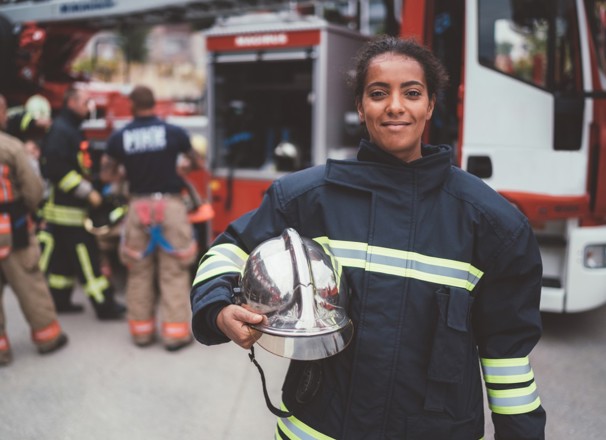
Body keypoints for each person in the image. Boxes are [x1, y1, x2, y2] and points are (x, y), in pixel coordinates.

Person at [190, 36, 546, 439]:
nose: (395, 106)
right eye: (378, 93)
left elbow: (508, 359)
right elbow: (227, 251)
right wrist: (219, 309)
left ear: (429, 105)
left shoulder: (491, 223)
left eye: (411, 93)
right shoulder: (307, 199)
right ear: (360, 107)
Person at [101, 85, 204, 351]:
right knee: (173, 271)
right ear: (155, 104)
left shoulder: (120, 137)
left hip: (138, 206)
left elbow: (106, 174)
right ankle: (175, 334)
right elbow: (197, 162)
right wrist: (182, 167)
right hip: (169, 205)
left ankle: (142, 332)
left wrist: (126, 174)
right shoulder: (173, 133)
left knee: (139, 270)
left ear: (133, 106)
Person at [37, 86, 125, 320]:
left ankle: (60, 300)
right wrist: (88, 193)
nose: (90, 107)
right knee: (88, 259)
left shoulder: (70, 129)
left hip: (66, 211)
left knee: (62, 261)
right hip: (68, 211)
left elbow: (76, 166)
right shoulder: (61, 131)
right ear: (71, 103)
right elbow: (56, 169)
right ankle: (104, 305)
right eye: (86, 102)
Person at [0, 94, 68, 366]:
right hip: (11, 231)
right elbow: (34, 190)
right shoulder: (11, 147)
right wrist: (28, 208)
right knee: (30, 283)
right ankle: (47, 338)